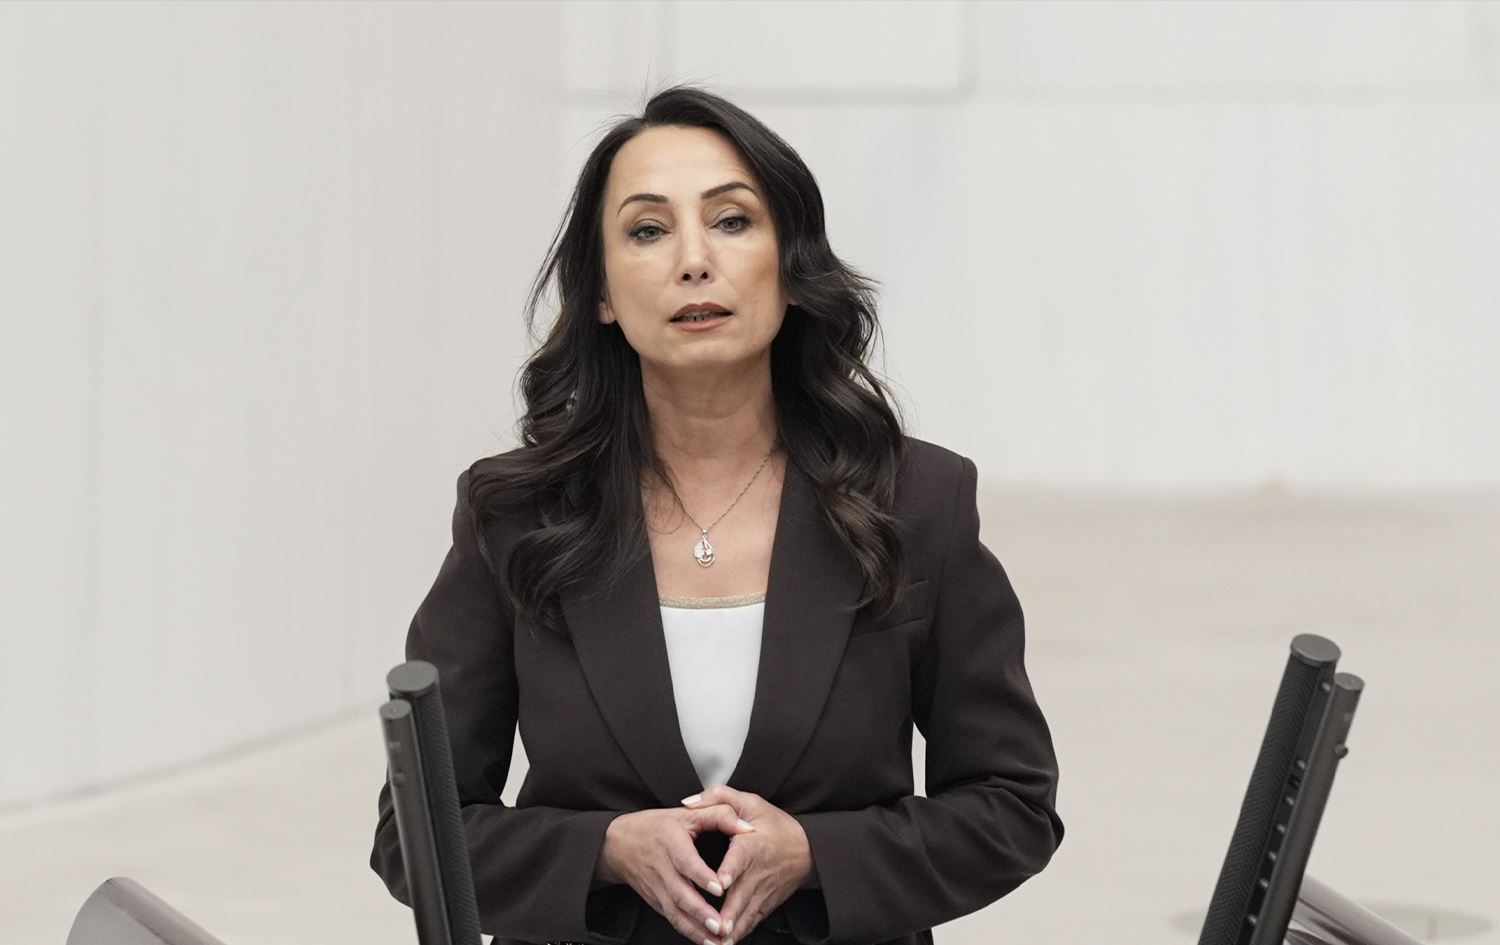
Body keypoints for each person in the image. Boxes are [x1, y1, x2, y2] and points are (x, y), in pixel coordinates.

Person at [370, 84, 1062, 945]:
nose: (694, 261)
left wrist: (817, 853)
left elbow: (1011, 805)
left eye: (732, 221)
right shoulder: (513, 514)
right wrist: (605, 850)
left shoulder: (918, 499)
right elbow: (415, 837)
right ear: (602, 293)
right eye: (648, 230)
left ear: (792, 267)